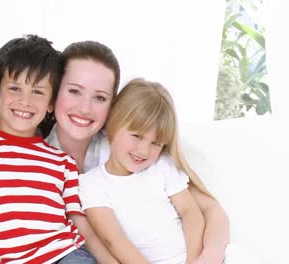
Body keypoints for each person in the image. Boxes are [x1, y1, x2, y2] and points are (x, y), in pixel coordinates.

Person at [0, 35, 112, 264]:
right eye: (15, 88)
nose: (25, 101)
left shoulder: (61, 161)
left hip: (66, 255)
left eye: (37, 92)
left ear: (51, 103)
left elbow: (80, 223)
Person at [45, 41, 229, 263]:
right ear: (53, 91)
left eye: (100, 97)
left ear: (113, 107)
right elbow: (104, 240)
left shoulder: (132, 149)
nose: (85, 108)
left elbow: (206, 207)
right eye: (74, 91)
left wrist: (208, 257)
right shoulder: (40, 161)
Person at [79, 78, 207, 263]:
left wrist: (195, 261)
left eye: (155, 143)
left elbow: (190, 212)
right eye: (137, 136)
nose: (144, 151)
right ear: (113, 122)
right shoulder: (91, 184)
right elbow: (113, 239)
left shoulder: (162, 166)